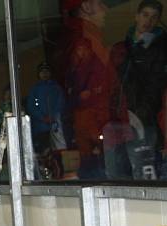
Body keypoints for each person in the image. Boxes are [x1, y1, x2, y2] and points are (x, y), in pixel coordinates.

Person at [54, 0, 114, 179]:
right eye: (100, 3)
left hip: (95, 133)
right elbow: (87, 98)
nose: (106, 8)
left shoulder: (87, 39)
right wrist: (98, 138)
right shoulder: (85, 42)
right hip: (95, 134)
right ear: (86, 7)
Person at [108, 0, 166, 180]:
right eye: (145, 15)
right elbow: (112, 86)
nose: (148, 21)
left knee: (144, 176)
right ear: (137, 16)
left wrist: (140, 116)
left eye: (154, 17)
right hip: (120, 121)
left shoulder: (161, 49)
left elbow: (156, 87)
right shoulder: (120, 48)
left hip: (144, 122)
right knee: (119, 176)